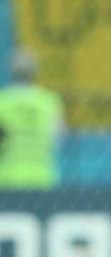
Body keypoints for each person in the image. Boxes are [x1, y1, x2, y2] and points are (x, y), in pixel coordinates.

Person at [0, 50, 63, 189]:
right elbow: (57, 140)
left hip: (7, 177)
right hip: (41, 177)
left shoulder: (2, 102)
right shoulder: (49, 102)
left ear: (11, 71)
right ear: (35, 72)